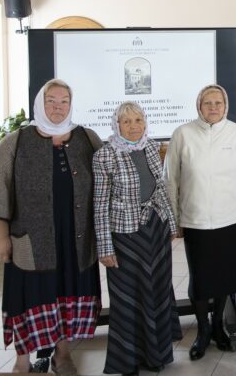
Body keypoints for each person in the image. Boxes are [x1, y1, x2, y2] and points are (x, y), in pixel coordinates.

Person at [0, 79, 102, 375]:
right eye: (51, 100)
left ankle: (62, 354)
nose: (57, 106)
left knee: (67, 294)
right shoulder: (16, 141)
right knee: (29, 298)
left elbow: (109, 180)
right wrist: (0, 238)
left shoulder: (86, 138)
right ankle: (22, 359)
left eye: (64, 100)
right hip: (30, 241)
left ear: (71, 103)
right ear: (40, 103)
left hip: (75, 240)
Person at [165, 84, 236, 360]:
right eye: (208, 103)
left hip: (231, 219)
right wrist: (175, 218)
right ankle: (203, 330)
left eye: (219, 102)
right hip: (195, 222)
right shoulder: (183, 134)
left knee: (225, 279)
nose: (214, 107)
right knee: (201, 280)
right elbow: (170, 179)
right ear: (199, 106)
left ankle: (218, 325)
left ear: (226, 105)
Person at [93, 101, 182, 375]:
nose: (134, 126)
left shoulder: (152, 147)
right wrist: (105, 247)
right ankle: (127, 361)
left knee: (157, 292)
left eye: (138, 120)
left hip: (155, 229)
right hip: (124, 235)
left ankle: (155, 356)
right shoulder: (105, 155)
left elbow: (160, 189)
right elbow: (99, 204)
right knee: (127, 299)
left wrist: (171, 225)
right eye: (127, 121)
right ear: (116, 125)